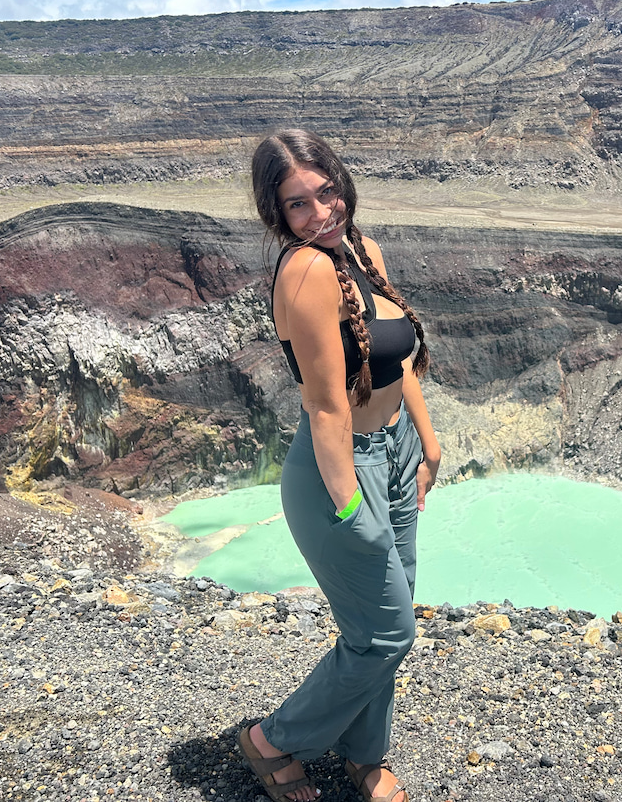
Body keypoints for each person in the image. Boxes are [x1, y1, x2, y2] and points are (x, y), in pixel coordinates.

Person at [236, 130, 440, 802]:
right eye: (300, 204)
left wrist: (428, 442)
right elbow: (327, 409)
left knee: (388, 620)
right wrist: (351, 506)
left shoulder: (361, 252)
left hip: (396, 452)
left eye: (327, 192)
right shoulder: (306, 271)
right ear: (279, 215)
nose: (321, 212)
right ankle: (274, 739)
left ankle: (364, 754)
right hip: (339, 469)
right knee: (386, 632)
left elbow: (395, 360)